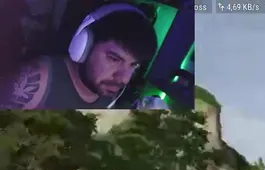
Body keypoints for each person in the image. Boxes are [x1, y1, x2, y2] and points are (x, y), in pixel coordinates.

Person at [1, 4, 158, 110]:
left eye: (133, 65)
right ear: (84, 45)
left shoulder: (109, 88)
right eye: (114, 59)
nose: (123, 78)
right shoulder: (37, 80)